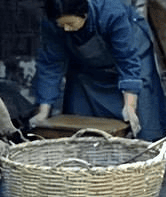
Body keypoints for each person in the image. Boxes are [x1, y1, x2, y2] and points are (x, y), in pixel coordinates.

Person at [30, 0, 166, 141]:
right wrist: (43, 112)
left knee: (142, 121)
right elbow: (51, 65)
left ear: (85, 14)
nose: (66, 29)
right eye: (61, 25)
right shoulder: (51, 23)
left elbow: (127, 60)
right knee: (78, 123)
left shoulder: (112, 13)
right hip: (87, 67)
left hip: (133, 58)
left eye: (70, 24)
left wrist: (130, 106)